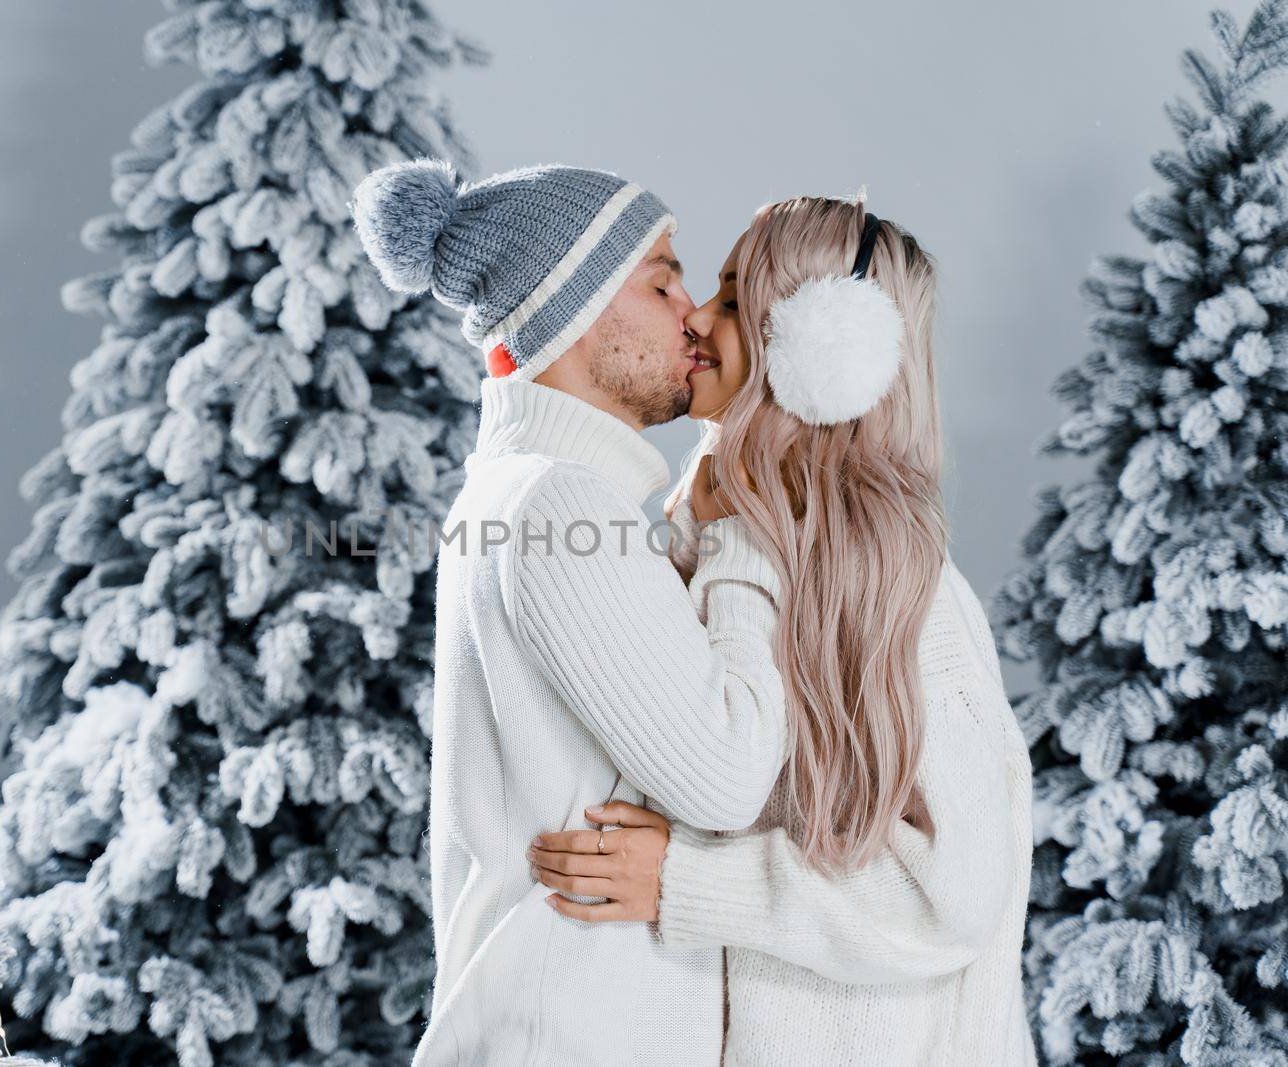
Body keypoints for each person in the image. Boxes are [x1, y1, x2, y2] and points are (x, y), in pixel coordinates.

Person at [525, 195, 1038, 1065]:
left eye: (733, 299)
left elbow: (953, 895)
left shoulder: (897, 587)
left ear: (812, 352)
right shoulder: (721, 538)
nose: (696, 318)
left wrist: (686, 883)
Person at [350, 159, 791, 1066]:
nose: (692, 314)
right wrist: (742, 537)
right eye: (662, 279)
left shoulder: (540, 498)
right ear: (573, 310)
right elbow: (729, 775)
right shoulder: (556, 506)